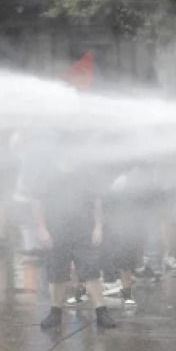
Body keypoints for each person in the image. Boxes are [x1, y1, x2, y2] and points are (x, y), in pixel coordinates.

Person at [34, 133, 116, 329]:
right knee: (56, 272)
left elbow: (96, 201)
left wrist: (97, 226)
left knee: (91, 272)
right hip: (56, 230)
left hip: (83, 230)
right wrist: (42, 228)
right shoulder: (48, 173)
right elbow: (38, 202)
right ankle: (55, 312)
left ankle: (101, 312)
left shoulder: (86, 173)